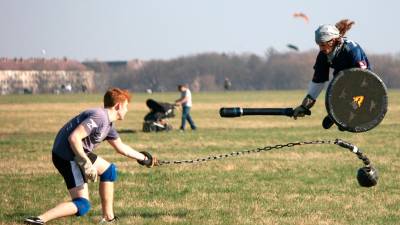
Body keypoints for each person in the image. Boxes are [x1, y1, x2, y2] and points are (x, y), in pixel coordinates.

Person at [24, 88, 157, 225]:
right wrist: (86, 164)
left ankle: (108, 219)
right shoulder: (99, 117)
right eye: (126, 106)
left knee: (109, 171)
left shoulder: (108, 124)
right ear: (118, 106)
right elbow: (74, 138)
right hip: (66, 156)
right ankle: (39, 219)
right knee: (83, 205)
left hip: (77, 153)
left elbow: (121, 148)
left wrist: (144, 158)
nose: (127, 110)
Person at [292, 19, 371, 129]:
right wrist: (305, 106)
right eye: (319, 45)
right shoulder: (323, 55)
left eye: (323, 45)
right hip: (341, 82)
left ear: (333, 41)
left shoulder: (352, 50)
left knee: (348, 111)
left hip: (362, 85)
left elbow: (364, 77)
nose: (321, 48)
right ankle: (339, 114)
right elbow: (318, 82)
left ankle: (342, 114)